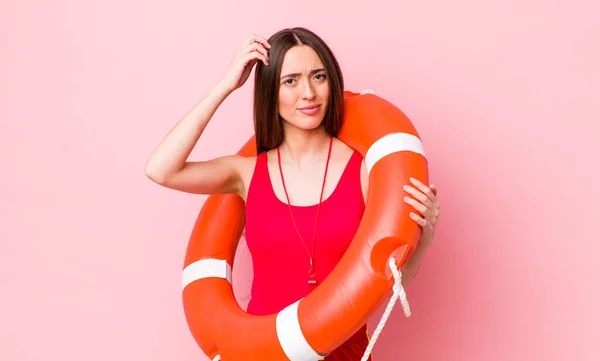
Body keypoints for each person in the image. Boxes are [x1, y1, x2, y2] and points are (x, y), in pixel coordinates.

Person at [145, 27, 440, 361]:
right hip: (261, 353)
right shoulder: (246, 172)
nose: (309, 93)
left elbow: (387, 278)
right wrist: (226, 85)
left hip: (344, 354)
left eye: (319, 76)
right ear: (270, 90)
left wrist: (423, 238)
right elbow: (161, 169)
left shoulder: (363, 171)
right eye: (291, 81)